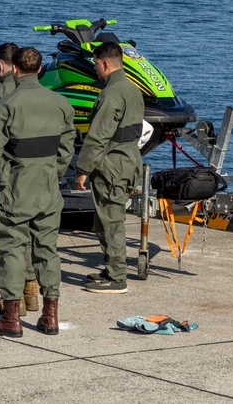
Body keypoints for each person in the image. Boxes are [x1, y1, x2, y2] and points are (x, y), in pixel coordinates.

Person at [0, 47, 75, 337]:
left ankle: (12, 318)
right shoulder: (60, 103)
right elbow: (68, 144)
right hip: (47, 188)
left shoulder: (7, 105)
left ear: (15, 70)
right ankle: (50, 316)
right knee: (47, 251)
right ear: (40, 69)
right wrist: (54, 171)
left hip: (14, 188)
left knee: (10, 248)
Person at [75, 41, 144, 294]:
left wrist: (82, 169)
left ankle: (117, 277)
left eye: (95, 64)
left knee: (111, 222)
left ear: (105, 64)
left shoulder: (111, 94)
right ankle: (111, 268)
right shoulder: (132, 89)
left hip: (111, 165)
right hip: (127, 160)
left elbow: (98, 136)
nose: (95, 69)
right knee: (105, 218)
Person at [0, 42, 41, 316]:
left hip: (5, 177)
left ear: (1, 67)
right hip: (35, 176)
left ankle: (9, 296)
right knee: (27, 236)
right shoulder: (38, 94)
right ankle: (30, 291)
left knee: (4, 238)